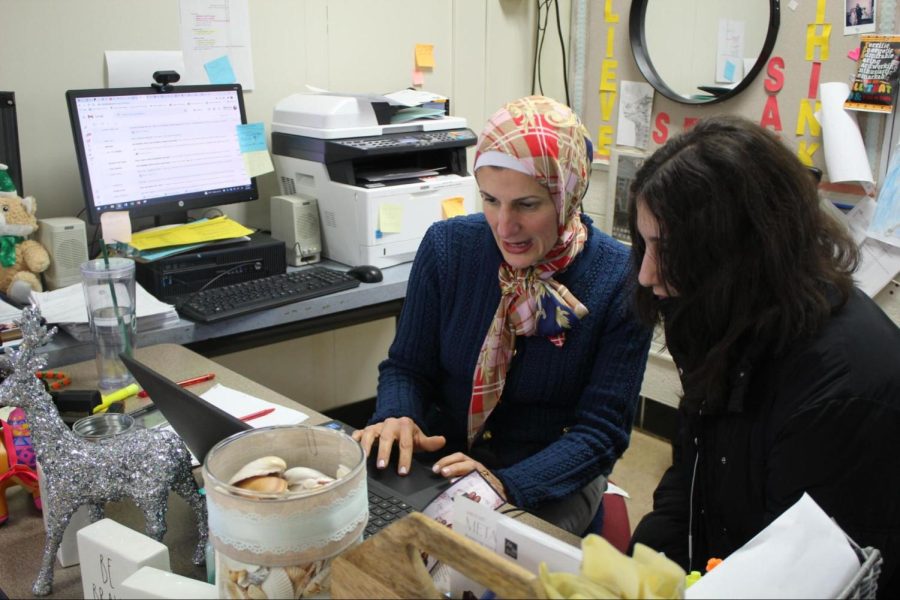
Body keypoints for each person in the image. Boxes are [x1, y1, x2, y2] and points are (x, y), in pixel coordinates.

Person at [352, 95, 651, 535]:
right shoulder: (448, 248)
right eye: (490, 200)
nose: (504, 226)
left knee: (480, 562)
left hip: (547, 480)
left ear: (569, 194)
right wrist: (398, 414)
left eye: (527, 205)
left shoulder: (620, 281)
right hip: (446, 464)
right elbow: (406, 368)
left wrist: (505, 484)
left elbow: (600, 433)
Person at [626, 115, 900, 596]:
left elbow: (805, 579)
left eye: (666, 248)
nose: (648, 274)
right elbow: (694, 475)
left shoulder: (843, 394)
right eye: (645, 244)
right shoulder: (719, 313)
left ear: (737, 250)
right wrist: (638, 567)